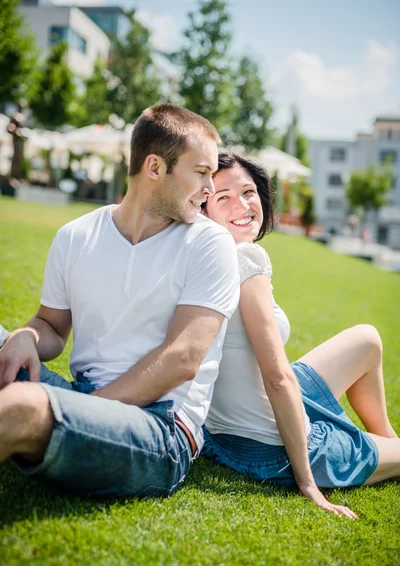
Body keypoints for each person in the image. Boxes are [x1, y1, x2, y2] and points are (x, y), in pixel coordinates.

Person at [0, 105, 240, 498]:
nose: (211, 189)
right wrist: (25, 335)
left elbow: (183, 359)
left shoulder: (210, 244)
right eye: (201, 173)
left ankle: (42, 420)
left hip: (160, 433)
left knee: (25, 406)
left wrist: (85, 409)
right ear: (154, 167)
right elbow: (52, 327)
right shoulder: (76, 235)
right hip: (81, 398)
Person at [201, 152, 399, 519]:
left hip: (224, 433)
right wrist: (308, 482)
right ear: (203, 209)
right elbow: (277, 378)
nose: (242, 204)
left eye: (248, 191)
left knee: (367, 340)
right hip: (268, 446)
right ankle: (386, 452)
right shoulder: (246, 258)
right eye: (223, 197)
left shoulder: (204, 257)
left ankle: (383, 441)